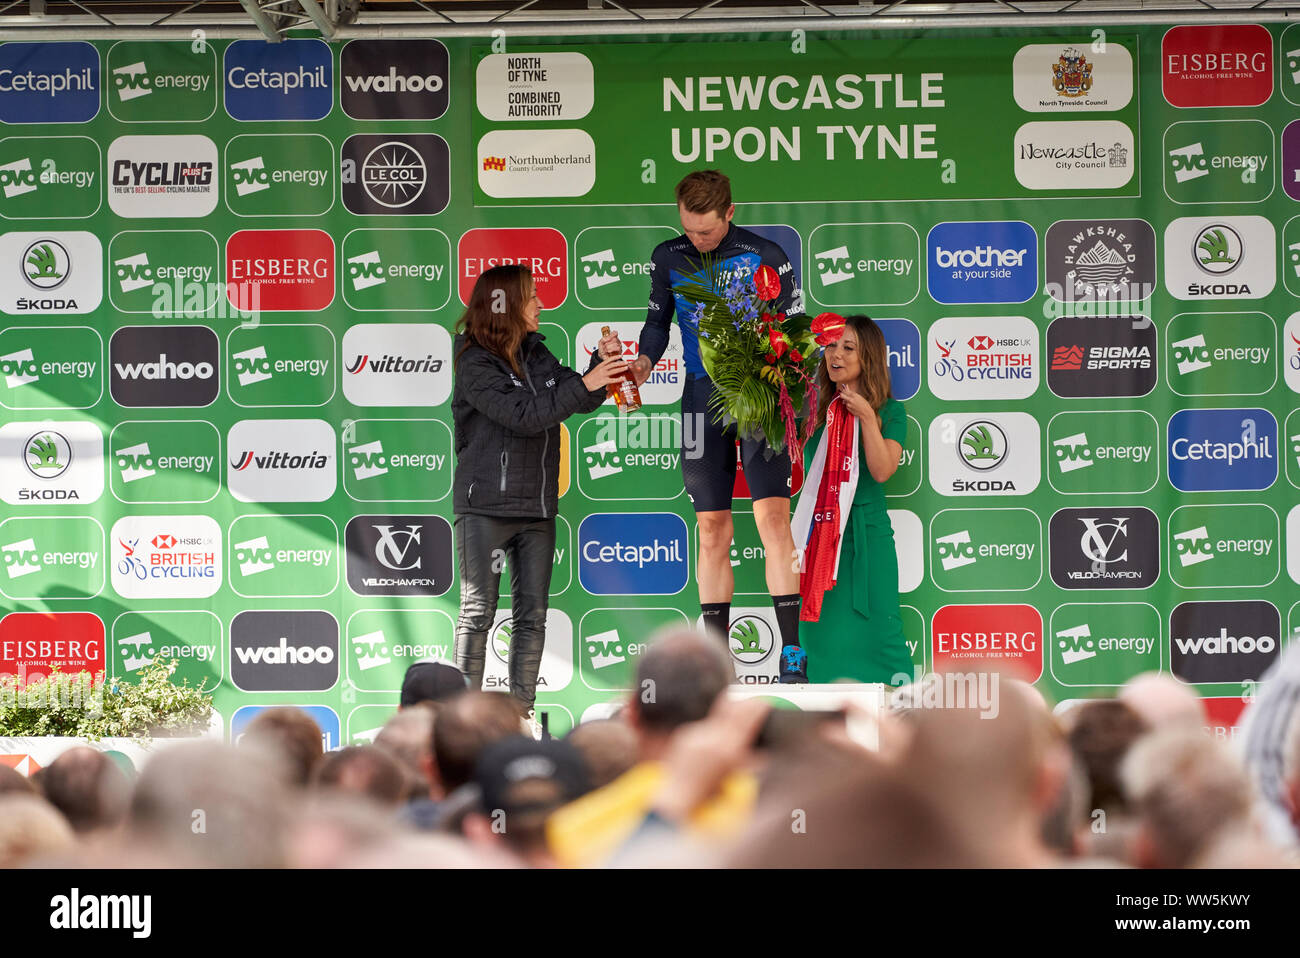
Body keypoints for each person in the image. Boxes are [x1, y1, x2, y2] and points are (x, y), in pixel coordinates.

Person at [613, 169, 805, 679]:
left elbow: (792, 333)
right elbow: (656, 325)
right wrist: (643, 364)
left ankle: (792, 654)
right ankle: (715, 669)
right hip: (700, 399)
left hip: (758, 398)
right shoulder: (668, 257)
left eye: (707, 231)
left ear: (730, 213)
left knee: (773, 522)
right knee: (711, 528)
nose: (696, 240)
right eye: (689, 229)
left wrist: (776, 378)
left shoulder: (767, 255)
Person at [453, 264, 627, 726]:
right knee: (477, 614)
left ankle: (522, 716)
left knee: (532, 617)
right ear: (507, 305)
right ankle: (464, 723)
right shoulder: (474, 360)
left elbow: (579, 396)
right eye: (531, 297)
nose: (540, 304)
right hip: (485, 507)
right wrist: (586, 383)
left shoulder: (536, 352)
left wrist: (600, 369)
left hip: (538, 507)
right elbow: (524, 414)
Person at [792, 314, 909, 684]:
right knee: (818, 634)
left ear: (868, 356)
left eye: (848, 347)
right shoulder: (812, 410)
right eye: (830, 346)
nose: (835, 355)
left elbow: (882, 470)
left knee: (882, 630)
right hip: (820, 539)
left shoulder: (890, 411)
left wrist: (867, 420)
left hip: (868, 537)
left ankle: (897, 714)